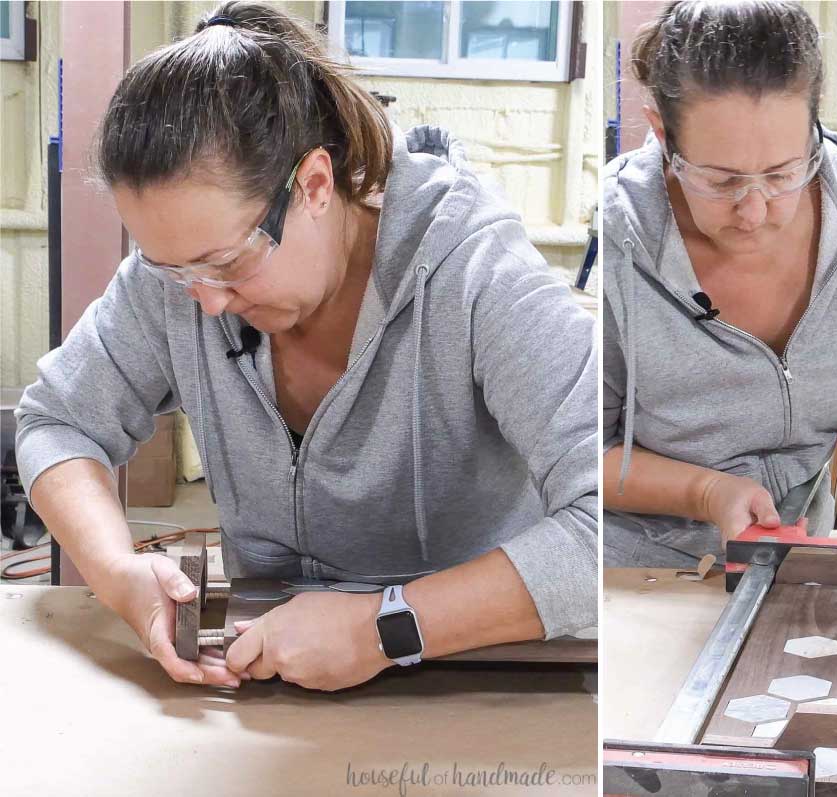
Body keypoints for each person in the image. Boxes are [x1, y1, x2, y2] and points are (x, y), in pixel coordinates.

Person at [16, 2, 597, 691]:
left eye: (228, 263)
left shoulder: (474, 272)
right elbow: (57, 421)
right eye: (176, 269)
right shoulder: (179, 274)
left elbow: (604, 523)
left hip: (481, 671)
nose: (202, 300)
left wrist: (386, 626)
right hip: (274, 669)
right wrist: (116, 572)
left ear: (315, 185)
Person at [602, 0, 837, 567]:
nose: (755, 211)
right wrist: (707, 493)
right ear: (661, 131)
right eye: (720, 179)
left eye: (784, 173)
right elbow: (574, 448)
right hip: (639, 569)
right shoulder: (612, 236)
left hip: (800, 550)